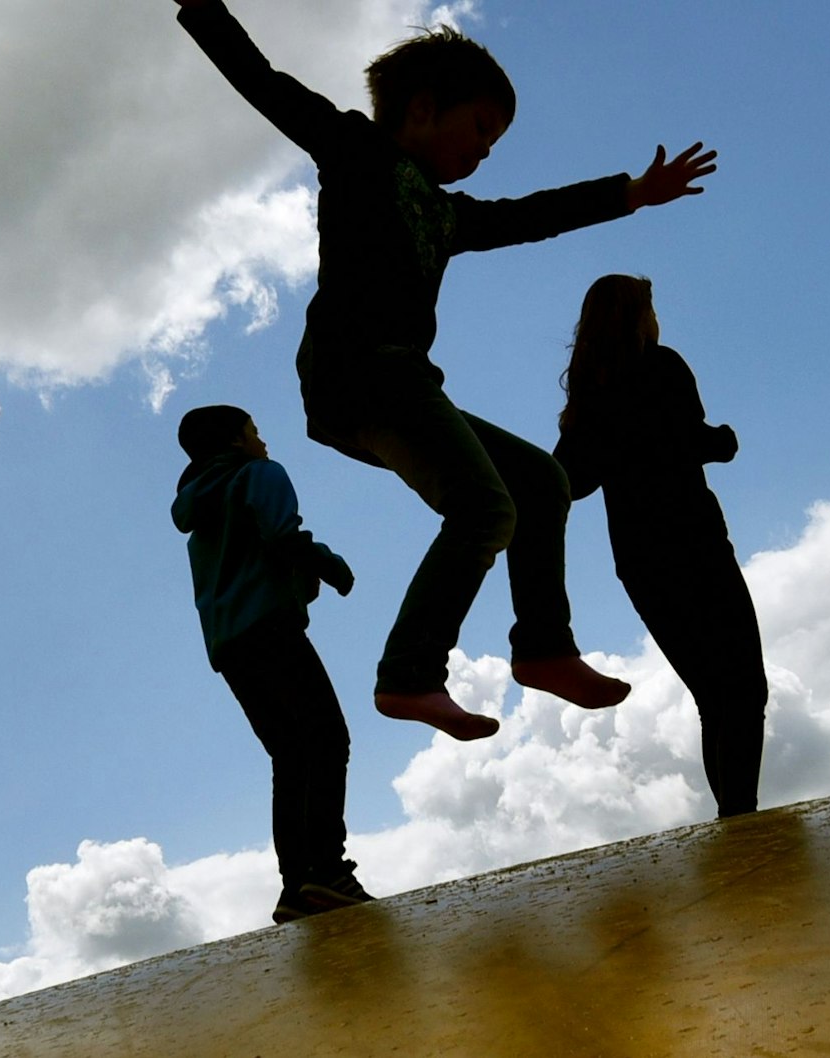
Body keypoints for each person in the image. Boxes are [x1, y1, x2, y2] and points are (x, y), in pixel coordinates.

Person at [173, 0, 718, 738]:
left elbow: (529, 216)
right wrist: (200, 10)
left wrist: (627, 194)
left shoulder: (446, 212)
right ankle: (409, 674)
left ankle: (544, 649)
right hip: (356, 374)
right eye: (481, 130)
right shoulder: (354, 151)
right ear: (424, 110)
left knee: (540, 482)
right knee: (485, 508)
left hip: (402, 388)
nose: (486, 151)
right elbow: (263, 82)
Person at [553, 275, 766, 817]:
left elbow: (572, 481)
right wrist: (724, 440)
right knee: (743, 688)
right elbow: (692, 441)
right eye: (651, 307)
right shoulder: (663, 365)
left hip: (639, 559)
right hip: (694, 540)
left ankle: (735, 821)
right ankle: (740, 820)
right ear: (637, 316)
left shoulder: (590, 390)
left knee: (712, 694)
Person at [172, 405, 367, 924]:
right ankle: (327, 871)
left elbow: (244, 560)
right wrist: (330, 567)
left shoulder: (199, 513)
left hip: (229, 647)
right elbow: (281, 535)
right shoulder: (260, 475)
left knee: (289, 754)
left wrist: (297, 578)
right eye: (255, 431)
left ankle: (297, 887)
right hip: (272, 630)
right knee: (327, 738)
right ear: (236, 441)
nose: (264, 440)